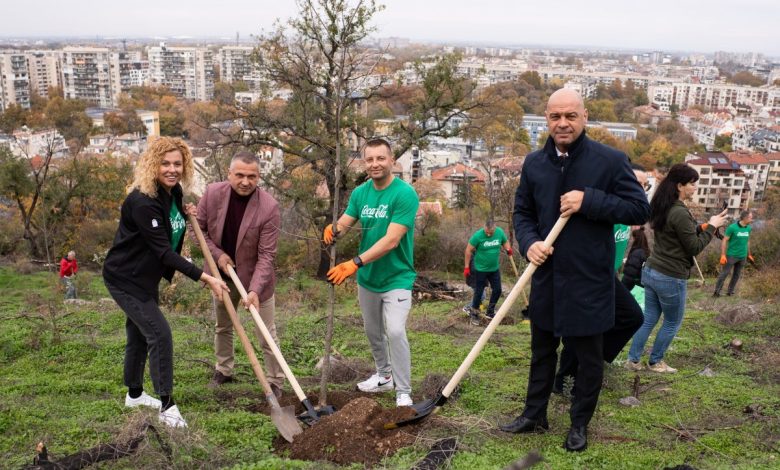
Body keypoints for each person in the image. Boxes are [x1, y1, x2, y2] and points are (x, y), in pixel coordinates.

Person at [504, 89, 650, 452]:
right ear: (546, 119)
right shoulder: (535, 164)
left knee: (588, 359)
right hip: (547, 276)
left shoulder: (609, 161)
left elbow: (639, 209)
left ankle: (579, 424)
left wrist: (590, 200)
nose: (563, 123)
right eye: (555, 116)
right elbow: (523, 213)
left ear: (584, 117)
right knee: (542, 351)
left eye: (570, 116)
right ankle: (534, 415)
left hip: (590, 279)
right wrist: (529, 243)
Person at [103, 137, 228, 428]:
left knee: (139, 334)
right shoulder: (142, 201)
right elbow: (164, 252)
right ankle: (167, 406)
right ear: (153, 165)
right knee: (160, 335)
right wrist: (205, 277)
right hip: (125, 278)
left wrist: (183, 214)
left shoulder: (173, 192)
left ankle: (135, 395)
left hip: (145, 277)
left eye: (177, 164)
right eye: (165, 163)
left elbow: (168, 225)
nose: (172, 169)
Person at [322, 138, 419, 408]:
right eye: (370, 159)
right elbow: (346, 221)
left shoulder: (405, 194)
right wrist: (334, 229)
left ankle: (403, 391)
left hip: (397, 277)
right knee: (373, 332)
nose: (375, 164)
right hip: (368, 280)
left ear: (392, 161)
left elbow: (392, 240)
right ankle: (384, 376)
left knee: (395, 331)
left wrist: (354, 263)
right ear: (364, 163)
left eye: (381, 158)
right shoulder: (360, 193)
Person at [197, 151, 285, 397]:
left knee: (266, 333)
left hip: (257, 279)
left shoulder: (269, 207)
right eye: (240, 175)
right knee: (223, 326)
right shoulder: (212, 193)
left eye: (252, 176)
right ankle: (224, 369)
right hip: (222, 277)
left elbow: (267, 255)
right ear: (229, 174)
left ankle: (275, 381)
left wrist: (255, 290)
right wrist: (218, 255)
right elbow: (198, 231)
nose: (245, 181)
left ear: (259, 177)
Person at [627, 164, 728, 374]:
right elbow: (694, 247)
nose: (695, 188)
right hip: (670, 276)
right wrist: (712, 226)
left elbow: (679, 233)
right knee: (672, 321)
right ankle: (656, 362)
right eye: (692, 184)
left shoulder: (663, 205)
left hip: (653, 270)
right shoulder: (679, 211)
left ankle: (633, 360)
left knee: (650, 318)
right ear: (680, 186)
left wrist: (702, 227)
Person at [464, 220, 512, 325]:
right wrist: (467, 267)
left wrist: (508, 248)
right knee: (479, 292)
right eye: (487, 232)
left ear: (495, 228)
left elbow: (505, 241)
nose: (489, 234)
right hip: (480, 269)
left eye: (491, 232)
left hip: (494, 269)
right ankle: (474, 313)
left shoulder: (499, 232)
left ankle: (490, 312)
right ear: (484, 228)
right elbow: (468, 250)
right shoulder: (478, 236)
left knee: (498, 290)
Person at [713, 210, 754, 297]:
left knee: (737, 274)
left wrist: (749, 254)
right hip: (731, 255)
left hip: (742, 256)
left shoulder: (748, 228)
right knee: (724, 273)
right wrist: (723, 254)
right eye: (750, 217)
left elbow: (748, 241)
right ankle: (717, 292)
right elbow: (724, 240)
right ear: (745, 218)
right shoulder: (732, 227)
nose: (752, 219)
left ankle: (730, 291)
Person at [621, 226, 650, 291]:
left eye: (633, 238)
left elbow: (631, 272)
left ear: (636, 239)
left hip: (630, 281)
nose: (633, 240)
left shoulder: (637, 252)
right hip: (639, 281)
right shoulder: (645, 251)